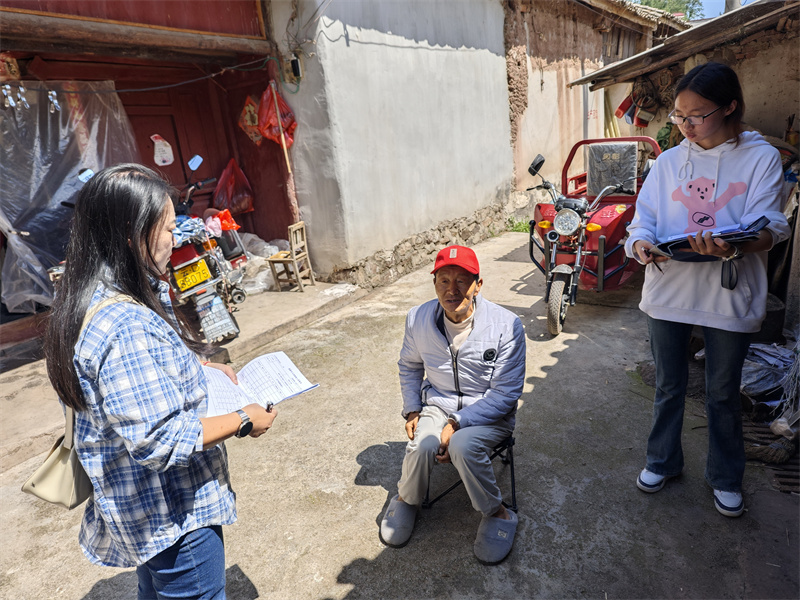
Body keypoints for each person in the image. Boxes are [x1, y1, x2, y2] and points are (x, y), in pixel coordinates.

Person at [44, 164, 277, 599]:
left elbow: (131, 381)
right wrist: (244, 418)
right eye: (169, 228)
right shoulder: (124, 324)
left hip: (143, 515)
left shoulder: (93, 297)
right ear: (133, 236)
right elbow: (160, 439)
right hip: (174, 518)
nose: (178, 237)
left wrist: (202, 369)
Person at [624, 62, 790, 517]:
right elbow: (643, 221)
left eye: (697, 116)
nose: (686, 126)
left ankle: (725, 476)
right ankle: (662, 460)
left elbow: (772, 225)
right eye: (679, 116)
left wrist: (732, 247)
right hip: (669, 288)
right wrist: (639, 244)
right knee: (669, 384)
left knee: (721, 391)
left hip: (728, 290)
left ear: (730, 107)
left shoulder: (760, 158)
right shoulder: (669, 161)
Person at [379, 245, 526, 564]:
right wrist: (413, 407)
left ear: (478, 284)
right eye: (443, 280)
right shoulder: (418, 318)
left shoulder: (507, 325)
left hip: (489, 413)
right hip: (438, 404)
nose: (452, 289)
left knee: (461, 445)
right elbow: (409, 365)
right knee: (421, 446)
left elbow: (506, 394)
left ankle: (498, 513)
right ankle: (406, 498)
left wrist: (456, 423)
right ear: (434, 284)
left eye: (462, 280)